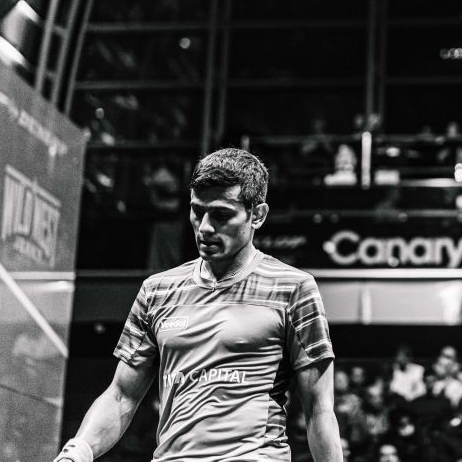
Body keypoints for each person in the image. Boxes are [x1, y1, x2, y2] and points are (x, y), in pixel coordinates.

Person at [55, 148, 342, 462]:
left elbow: (319, 411)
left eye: (221, 214)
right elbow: (121, 396)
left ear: (257, 215)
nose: (205, 227)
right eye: (197, 211)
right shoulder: (157, 291)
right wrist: (77, 452)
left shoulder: (294, 289)